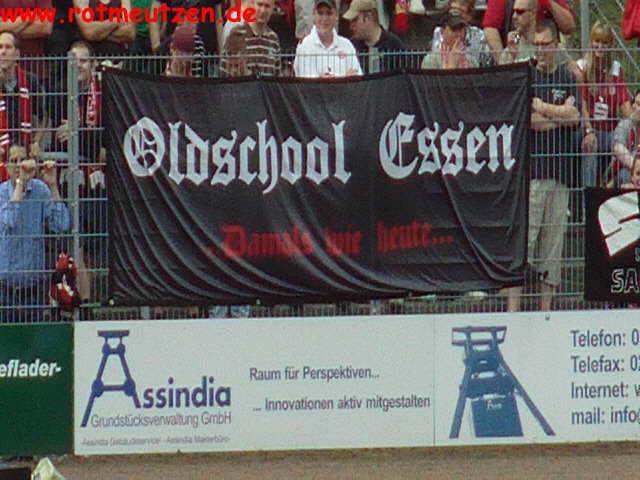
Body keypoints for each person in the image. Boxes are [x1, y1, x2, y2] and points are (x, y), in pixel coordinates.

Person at [504, 18, 580, 312]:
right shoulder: (527, 76)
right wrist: (559, 115)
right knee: (524, 244)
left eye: (546, 44)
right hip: (533, 174)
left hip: (561, 174)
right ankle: (513, 310)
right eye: (537, 45)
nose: (541, 50)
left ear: (557, 45)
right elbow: (530, 120)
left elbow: (575, 117)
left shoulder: (567, 77)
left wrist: (543, 107)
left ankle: (545, 311)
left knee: (552, 247)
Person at [53, 41, 105, 302]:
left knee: (93, 247)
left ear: (93, 65)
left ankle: (89, 300)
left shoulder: (105, 94)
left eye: (83, 61)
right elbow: (59, 139)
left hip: (97, 182)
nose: (79, 66)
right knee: (77, 245)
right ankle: (83, 303)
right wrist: (85, 138)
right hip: (70, 181)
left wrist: (76, 132)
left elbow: (103, 144)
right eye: (74, 61)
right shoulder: (60, 93)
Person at [0, 149, 70, 322]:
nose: (19, 165)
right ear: (6, 166)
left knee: (33, 336)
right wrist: (20, 184)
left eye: (23, 160)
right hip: (4, 287)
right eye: (14, 161)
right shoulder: (1, 192)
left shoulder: (40, 190)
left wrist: (53, 186)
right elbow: (9, 221)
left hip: (33, 287)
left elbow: (61, 225)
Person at [579, 20, 632, 188]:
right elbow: (582, 104)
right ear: (591, 42)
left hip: (610, 131)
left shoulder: (616, 69)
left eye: (604, 42)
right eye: (597, 41)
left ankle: (611, 185)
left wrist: (634, 123)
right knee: (591, 145)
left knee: (622, 144)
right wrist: (589, 130)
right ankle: (589, 194)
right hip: (590, 129)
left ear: (610, 45)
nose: (600, 47)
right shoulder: (583, 67)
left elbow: (625, 104)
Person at [0, 32, 48, 164]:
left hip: (23, 150)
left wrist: (36, 142)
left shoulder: (30, 80)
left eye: (8, 47)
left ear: (17, 54)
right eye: (0, 47)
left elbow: (44, 117)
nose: (3, 52)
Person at [483, 0, 574, 63]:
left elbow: (569, 28)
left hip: (548, 49)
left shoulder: (556, 49)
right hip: (518, 45)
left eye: (519, 12)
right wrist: (506, 59)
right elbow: (490, 28)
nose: (514, 16)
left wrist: (549, 3)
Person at [293, 0, 362, 78]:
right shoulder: (304, 46)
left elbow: (357, 78)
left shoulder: (347, 45)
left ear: (336, 15)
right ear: (313, 14)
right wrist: (344, 78)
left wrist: (327, 80)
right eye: (320, 13)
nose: (324, 18)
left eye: (329, 13)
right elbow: (308, 83)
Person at [343, 0, 407, 74]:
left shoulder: (394, 45)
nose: (351, 27)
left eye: (355, 20)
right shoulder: (351, 46)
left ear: (368, 17)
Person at [430, 0, 492, 68]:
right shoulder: (433, 59)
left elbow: (486, 66)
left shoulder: (472, 60)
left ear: (469, 17)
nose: (458, 33)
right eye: (454, 29)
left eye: (462, 6)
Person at [0, 0, 53, 79]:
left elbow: (45, 27)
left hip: (35, 70)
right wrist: (30, 16)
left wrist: (7, 26)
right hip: (3, 73)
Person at [611, 89, 640, 186]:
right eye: (634, 102)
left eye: (638, 104)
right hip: (622, 172)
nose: (633, 106)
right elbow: (618, 148)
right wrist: (636, 167)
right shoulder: (625, 124)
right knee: (625, 175)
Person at [497, 0, 535, 65]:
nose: (514, 16)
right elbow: (504, 72)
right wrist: (512, 56)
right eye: (513, 11)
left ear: (533, 14)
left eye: (519, 12)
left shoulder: (546, 45)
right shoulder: (511, 46)